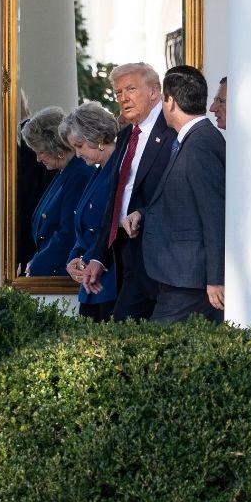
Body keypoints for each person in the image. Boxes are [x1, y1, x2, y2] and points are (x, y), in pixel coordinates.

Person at [120, 65, 225, 323]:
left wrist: (216, 278)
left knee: (153, 353)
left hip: (190, 281)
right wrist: (142, 214)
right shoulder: (190, 139)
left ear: (170, 101)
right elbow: (182, 200)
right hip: (180, 277)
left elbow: (215, 214)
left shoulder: (201, 143)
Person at [79, 63, 176, 320]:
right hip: (125, 255)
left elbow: (176, 193)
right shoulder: (125, 137)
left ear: (155, 92)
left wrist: (143, 213)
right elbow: (115, 203)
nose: (123, 98)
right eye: (119, 92)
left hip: (161, 259)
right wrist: (98, 259)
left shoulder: (173, 132)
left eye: (131, 89)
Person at [62, 102, 121, 321]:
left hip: (109, 282)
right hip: (91, 284)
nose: (77, 154)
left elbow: (110, 225)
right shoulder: (99, 171)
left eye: (80, 145)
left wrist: (87, 261)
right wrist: (73, 260)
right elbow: (83, 228)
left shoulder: (118, 169)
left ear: (97, 138)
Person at [21, 106, 93, 277]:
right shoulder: (63, 173)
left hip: (61, 273)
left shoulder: (78, 175)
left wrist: (37, 266)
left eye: (41, 152)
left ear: (56, 147)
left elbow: (68, 232)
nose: (38, 159)